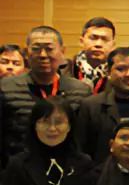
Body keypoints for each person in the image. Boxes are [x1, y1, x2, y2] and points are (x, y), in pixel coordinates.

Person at [1, 26, 91, 165]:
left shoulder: (81, 91)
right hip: (19, 167)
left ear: (62, 51)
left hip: (67, 167)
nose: (43, 55)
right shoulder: (5, 88)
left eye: (49, 49)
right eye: (36, 49)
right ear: (26, 53)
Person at [64, 16, 115, 92]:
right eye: (93, 38)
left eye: (105, 39)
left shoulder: (118, 73)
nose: (98, 44)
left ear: (113, 45)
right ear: (81, 41)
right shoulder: (64, 69)